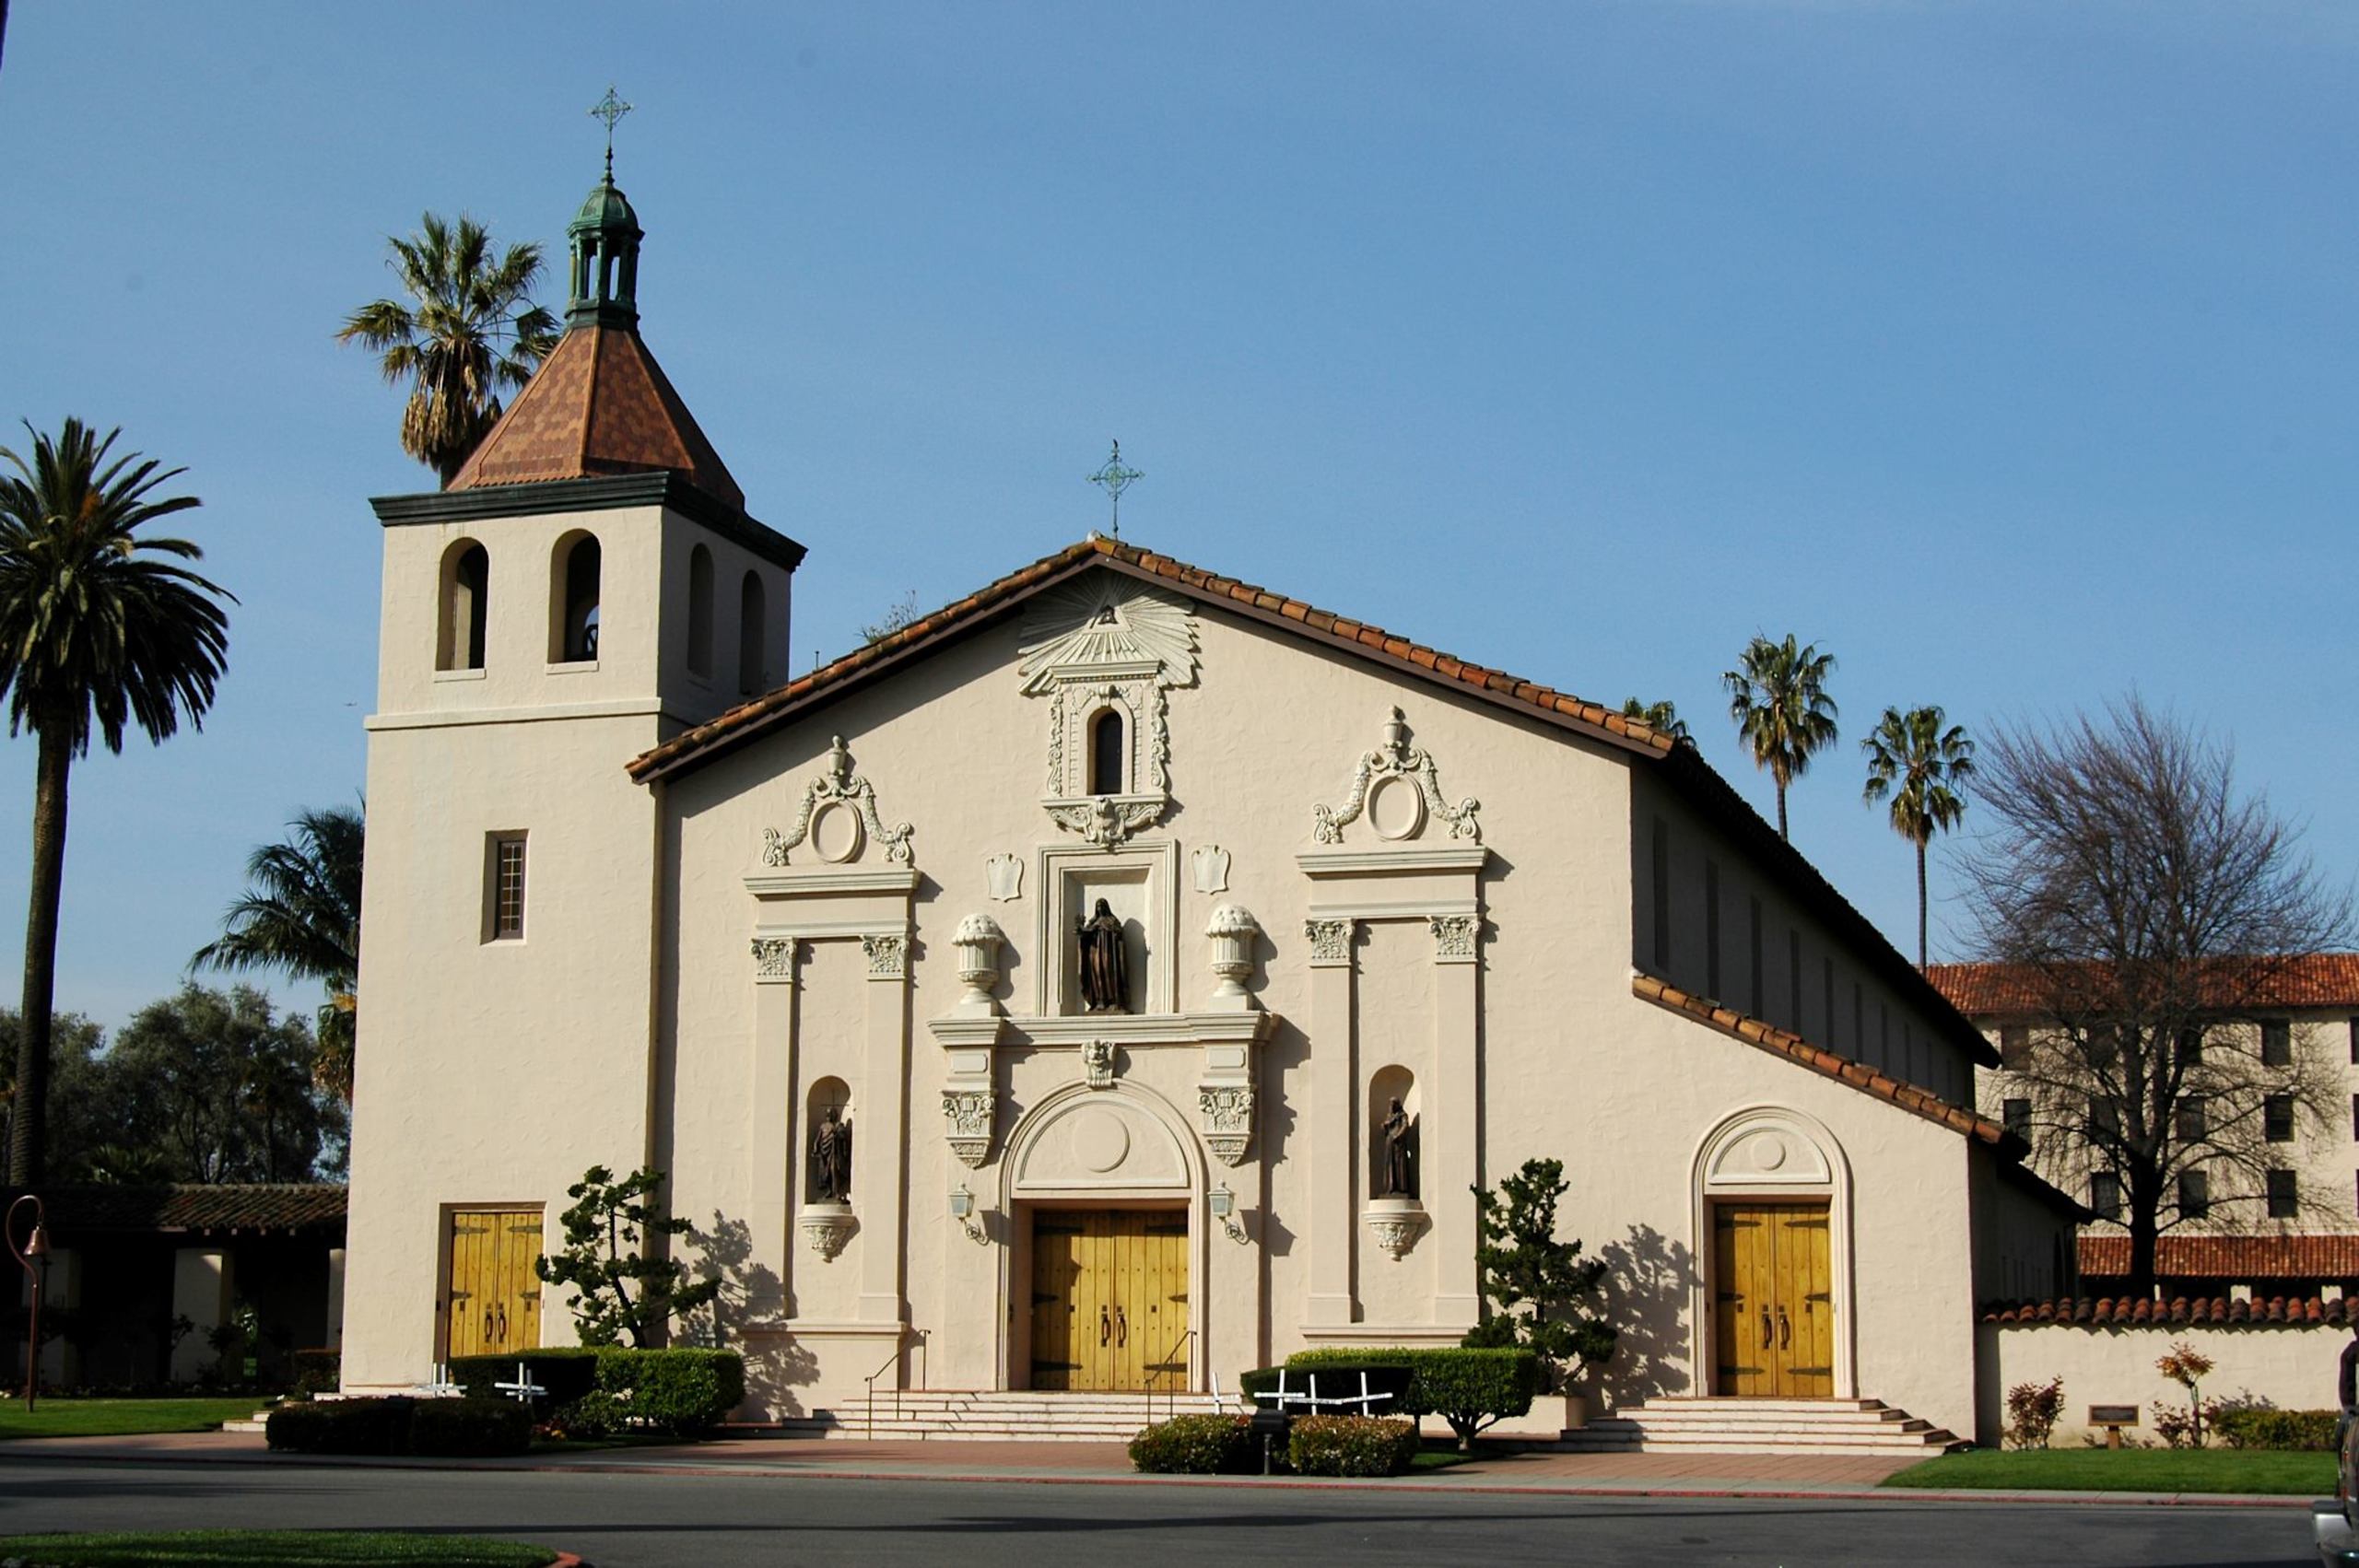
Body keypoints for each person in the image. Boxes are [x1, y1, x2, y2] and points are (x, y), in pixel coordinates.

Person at [1076, 898, 1130, 1013]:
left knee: (1108, 972)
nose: (1100, 908)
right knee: (1097, 973)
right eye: (1098, 906)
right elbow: (1085, 934)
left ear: (1106, 907)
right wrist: (1081, 929)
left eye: (1102, 906)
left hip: (1108, 951)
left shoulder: (1112, 920)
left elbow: (1118, 931)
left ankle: (1113, 1000)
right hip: (1095, 952)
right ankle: (1100, 1000)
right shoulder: (1093, 922)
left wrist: (1114, 931)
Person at [812, 1106, 851, 1202]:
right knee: (826, 1173)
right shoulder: (823, 1126)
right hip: (825, 1153)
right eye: (828, 1114)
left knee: (834, 1170)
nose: (829, 1116)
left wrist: (837, 1135)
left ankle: (836, 1192)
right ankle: (830, 1191)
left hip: (835, 1153)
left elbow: (843, 1137)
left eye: (831, 1114)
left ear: (835, 1115)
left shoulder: (839, 1125)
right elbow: (818, 1138)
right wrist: (815, 1147)